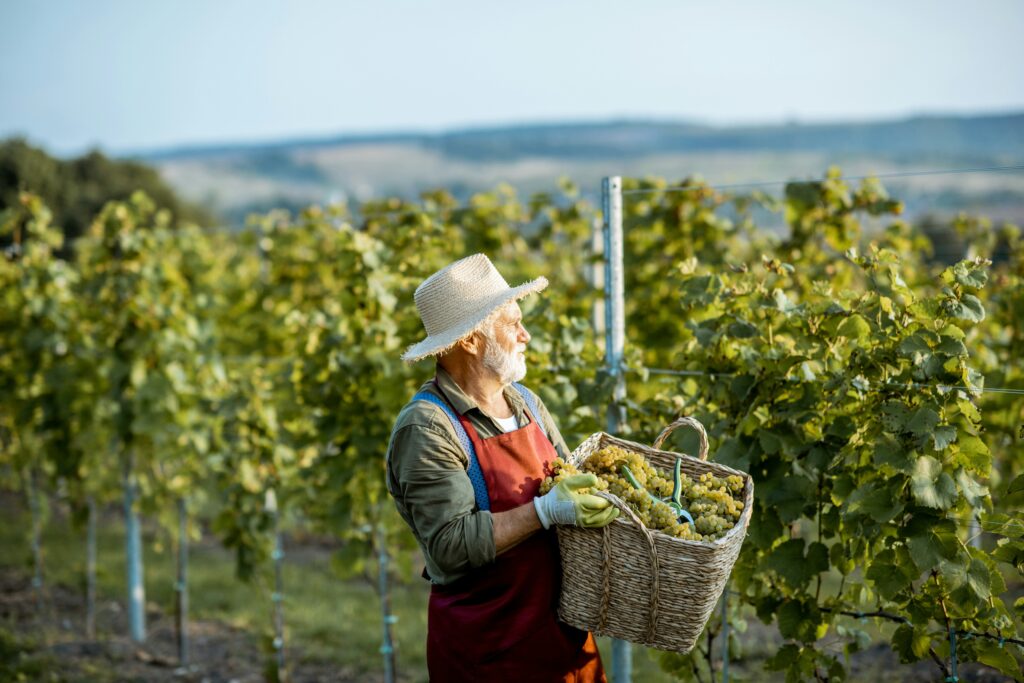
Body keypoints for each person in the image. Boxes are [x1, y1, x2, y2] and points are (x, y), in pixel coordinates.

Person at [386, 253, 618, 682]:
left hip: (563, 639)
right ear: (472, 340)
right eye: (512, 324)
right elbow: (449, 545)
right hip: (489, 651)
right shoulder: (430, 426)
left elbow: (572, 483)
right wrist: (544, 512)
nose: (525, 335)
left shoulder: (526, 404)